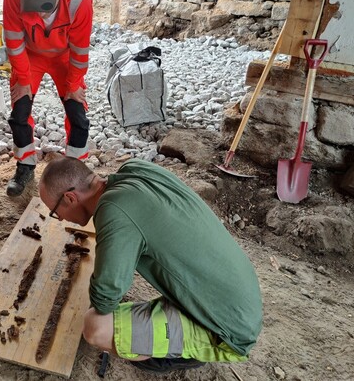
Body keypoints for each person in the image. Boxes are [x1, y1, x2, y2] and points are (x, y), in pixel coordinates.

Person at [39, 156, 263, 373]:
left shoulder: (114, 210)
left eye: (55, 212)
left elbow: (106, 297)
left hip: (229, 329)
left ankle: (180, 353)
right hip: (238, 298)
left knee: (95, 326)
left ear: (70, 198)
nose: (60, 218)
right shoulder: (135, 169)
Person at [2, 0, 93, 197]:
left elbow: (80, 51)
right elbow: (13, 41)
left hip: (64, 58)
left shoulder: (79, 2)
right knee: (19, 111)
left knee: (77, 114)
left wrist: (73, 85)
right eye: (36, 6)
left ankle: (75, 171)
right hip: (30, 57)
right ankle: (25, 166)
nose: (41, 14)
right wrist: (23, 79)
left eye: (46, 7)